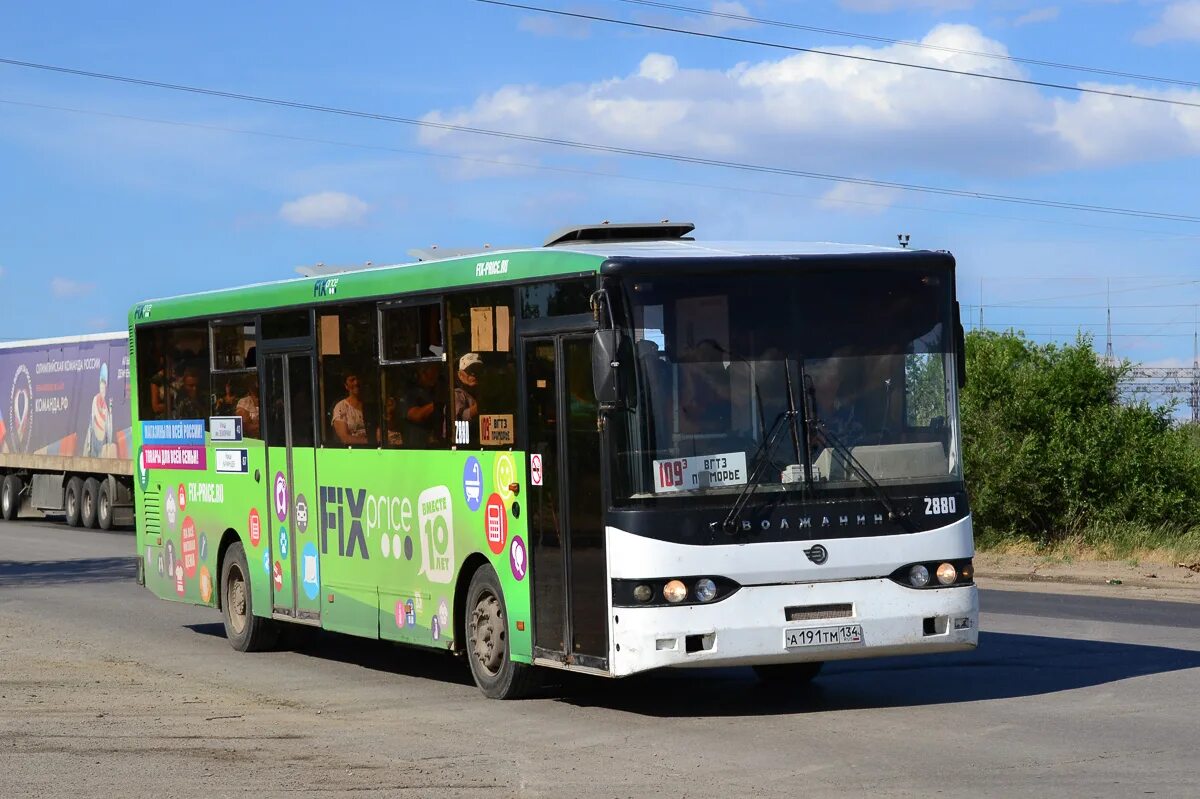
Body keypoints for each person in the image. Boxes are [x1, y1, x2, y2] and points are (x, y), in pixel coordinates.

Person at [402, 362, 446, 447]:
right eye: (434, 370)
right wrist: (438, 403)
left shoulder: (433, 391)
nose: (437, 374)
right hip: (416, 447)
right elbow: (415, 415)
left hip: (435, 444)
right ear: (423, 371)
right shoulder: (410, 393)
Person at [84, 362, 113, 457]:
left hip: (101, 441)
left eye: (103, 388)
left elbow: (108, 426)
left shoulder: (106, 407)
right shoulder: (95, 400)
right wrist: (89, 442)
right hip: (94, 439)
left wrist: (109, 443)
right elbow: (91, 421)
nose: (102, 390)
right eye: (101, 388)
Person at [332, 371, 369, 445]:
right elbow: (345, 438)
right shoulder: (341, 407)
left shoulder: (371, 406)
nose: (356, 383)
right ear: (346, 386)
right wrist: (370, 442)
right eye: (352, 380)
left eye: (358, 379)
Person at [454, 353, 482, 423]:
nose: (474, 374)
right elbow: (457, 418)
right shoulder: (457, 394)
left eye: (478, 370)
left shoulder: (482, 391)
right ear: (460, 375)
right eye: (470, 371)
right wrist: (480, 407)